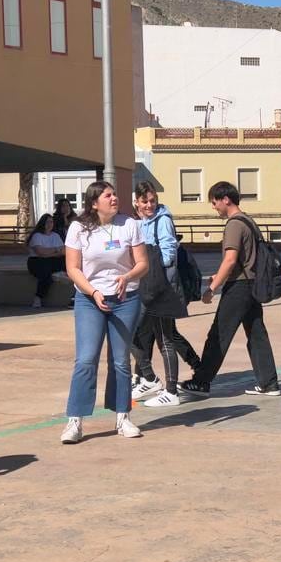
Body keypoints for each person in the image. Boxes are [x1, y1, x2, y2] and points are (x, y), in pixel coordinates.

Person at [60, 181, 148, 443]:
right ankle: (75, 421)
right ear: (94, 202)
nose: (114, 198)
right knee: (86, 359)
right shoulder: (78, 228)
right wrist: (93, 292)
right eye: (108, 195)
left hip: (125, 299)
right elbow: (73, 269)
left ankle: (123, 418)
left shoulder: (129, 224)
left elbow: (143, 262)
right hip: (90, 300)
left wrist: (128, 276)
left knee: (120, 361)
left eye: (115, 194)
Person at [179, 182, 279, 397]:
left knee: (218, 334)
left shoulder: (234, 224)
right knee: (257, 334)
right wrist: (220, 274)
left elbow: (231, 260)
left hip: (239, 287)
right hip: (252, 283)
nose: (213, 207)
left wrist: (213, 288)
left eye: (214, 202)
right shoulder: (248, 220)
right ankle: (269, 383)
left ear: (226, 199)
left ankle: (201, 381)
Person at [130, 182, 197, 408]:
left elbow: (169, 253)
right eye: (145, 201)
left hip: (160, 287)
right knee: (134, 332)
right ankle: (148, 378)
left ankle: (170, 390)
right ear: (137, 202)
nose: (150, 205)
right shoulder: (140, 222)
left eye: (153, 200)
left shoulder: (162, 220)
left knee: (165, 338)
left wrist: (159, 283)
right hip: (146, 285)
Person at [26, 213, 66, 307]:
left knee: (65, 261)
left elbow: (63, 251)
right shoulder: (37, 236)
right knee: (45, 273)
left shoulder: (55, 235)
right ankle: (38, 298)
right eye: (47, 222)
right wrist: (56, 250)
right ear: (42, 223)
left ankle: (60, 272)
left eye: (51, 222)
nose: (50, 224)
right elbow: (40, 252)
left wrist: (50, 252)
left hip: (51, 259)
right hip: (37, 261)